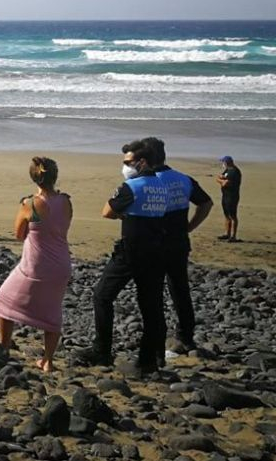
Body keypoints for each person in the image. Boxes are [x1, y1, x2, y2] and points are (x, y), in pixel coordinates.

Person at [74, 139, 169, 376]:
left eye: (128, 162)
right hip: (156, 251)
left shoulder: (132, 187)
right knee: (151, 307)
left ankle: (102, 350)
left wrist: (124, 214)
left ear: (142, 162)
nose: (125, 166)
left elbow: (107, 211)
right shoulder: (162, 186)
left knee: (102, 296)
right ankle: (149, 359)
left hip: (131, 252)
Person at [0, 157, 72, 373]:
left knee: (3, 297)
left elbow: (19, 234)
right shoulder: (66, 201)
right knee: (52, 311)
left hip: (36, 264)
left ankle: (4, 345)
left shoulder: (30, 204)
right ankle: (48, 360)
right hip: (62, 263)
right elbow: (63, 226)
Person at [146, 138, 212, 356]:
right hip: (179, 242)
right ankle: (185, 335)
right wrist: (190, 227)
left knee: (153, 292)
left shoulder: (148, 182)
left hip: (155, 244)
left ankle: (156, 337)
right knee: (180, 289)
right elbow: (206, 203)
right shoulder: (183, 179)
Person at [216, 155, 242, 242]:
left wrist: (222, 180)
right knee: (226, 215)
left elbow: (225, 183)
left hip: (232, 196)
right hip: (225, 195)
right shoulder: (228, 170)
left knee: (233, 216)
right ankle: (227, 233)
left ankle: (233, 236)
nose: (223, 164)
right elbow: (219, 177)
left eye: (223, 162)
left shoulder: (234, 172)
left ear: (226, 163)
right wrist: (222, 179)